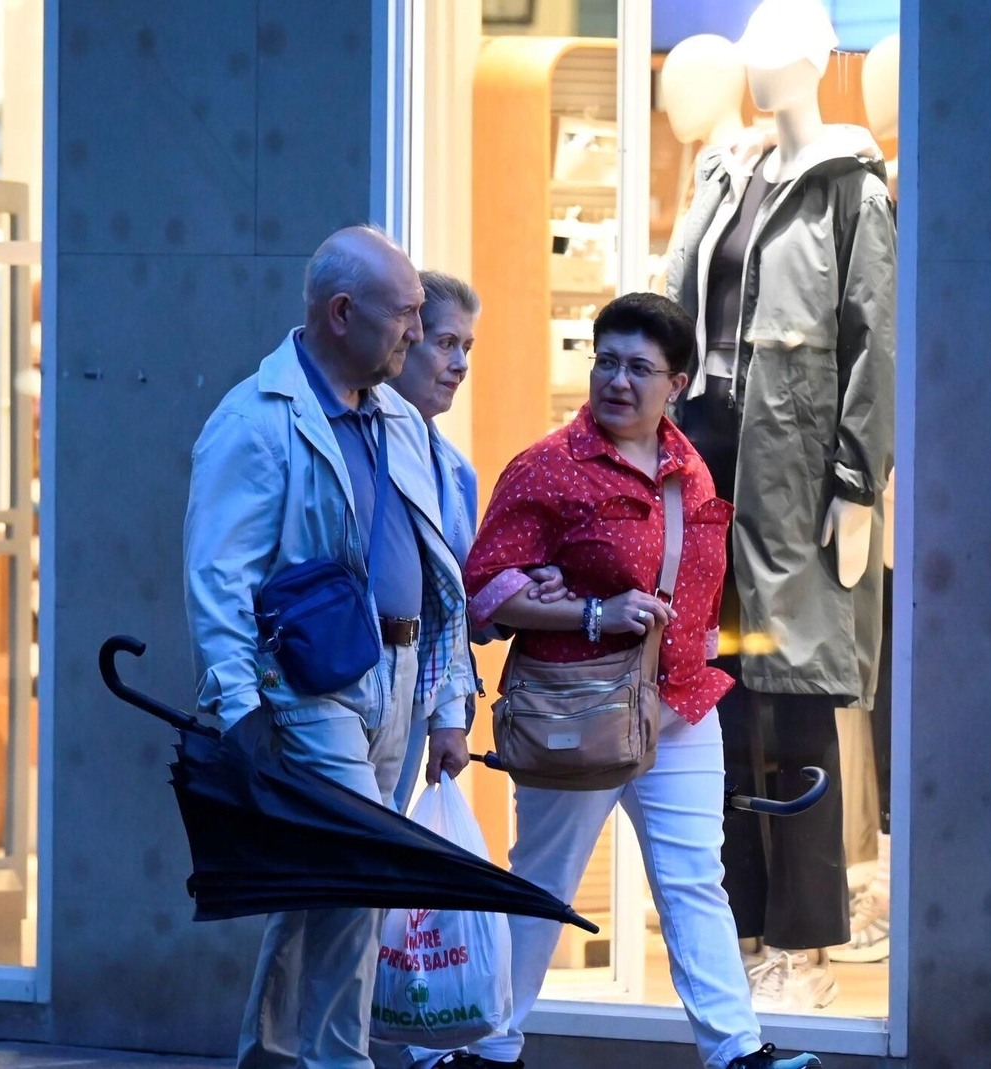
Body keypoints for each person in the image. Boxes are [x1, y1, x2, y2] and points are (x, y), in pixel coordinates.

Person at [451, 293, 820, 1069]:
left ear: (676, 382)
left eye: (639, 368)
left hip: (681, 704)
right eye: (606, 361)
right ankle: (492, 1047)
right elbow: (483, 590)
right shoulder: (547, 467)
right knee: (543, 884)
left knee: (694, 883)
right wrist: (590, 611)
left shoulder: (690, 467)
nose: (618, 380)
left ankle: (736, 1049)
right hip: (574, 708)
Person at [186, 227, 492, 1069]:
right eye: (406, 316)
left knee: (320, 879)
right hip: (309, 685)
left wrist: (448, 702)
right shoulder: (256, 421)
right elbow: (218, 576)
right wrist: (238, 705)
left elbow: (438, 572)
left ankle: (270, 1051)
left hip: (397, 677)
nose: (415, 334)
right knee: (362, 873)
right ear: (342, 313)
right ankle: (337, 1060)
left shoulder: (397, 415)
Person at [382, 270, 568, 815]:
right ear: (404, 340)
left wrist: (528, 585)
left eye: (467, 347)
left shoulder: (455, 470)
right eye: (446, 344)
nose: (461, 364)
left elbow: (466, 606)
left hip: (419, 693)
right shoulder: (351, 438)